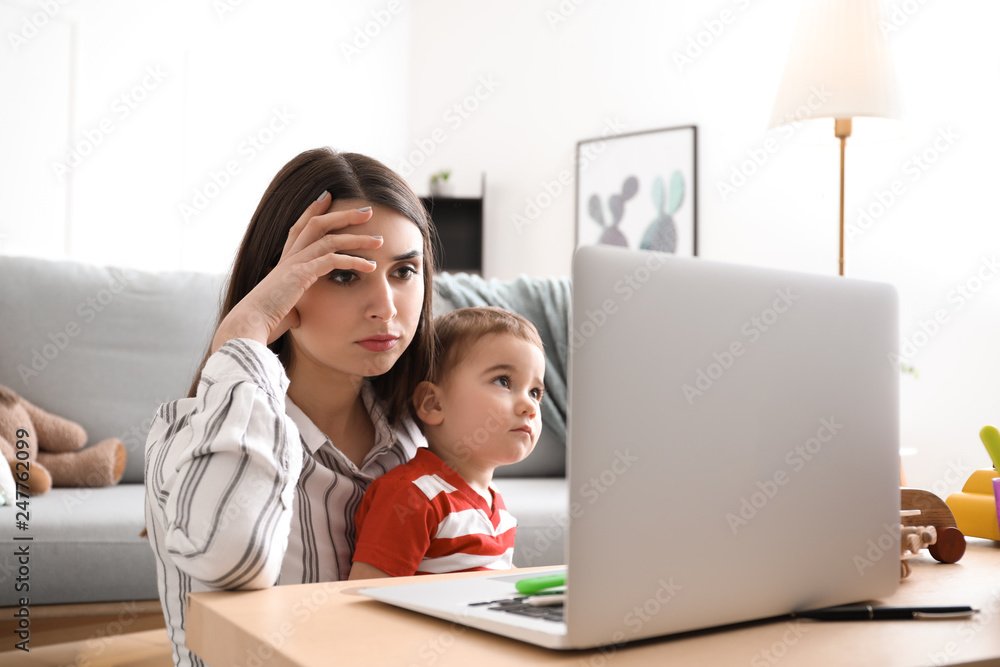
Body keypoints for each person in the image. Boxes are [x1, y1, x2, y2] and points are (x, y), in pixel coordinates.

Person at [143, 147, 438, 667]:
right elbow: (233, 560)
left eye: (404, 271)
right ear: (281, 283)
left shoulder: (422, 433)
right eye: (345, 274)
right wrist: (245, 330)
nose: (386, 308)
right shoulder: (187, 438)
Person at [349, 306, 546, 579]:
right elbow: (365, 596)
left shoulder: (495, 503)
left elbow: (495, 577)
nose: (530, 406)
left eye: (536, 392)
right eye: (503, 381)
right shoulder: (413, 495)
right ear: (433, 404)